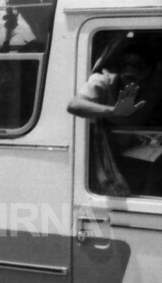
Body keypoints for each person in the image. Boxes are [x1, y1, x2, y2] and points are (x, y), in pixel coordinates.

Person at [68, 42, 162, 195]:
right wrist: (114, 111)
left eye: (143, 81)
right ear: (120, 71)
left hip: (143, 146)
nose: (136, 84)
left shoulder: (154, 85)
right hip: (109, 149)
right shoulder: (103, 80)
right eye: (131, 78)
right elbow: (74, 105)